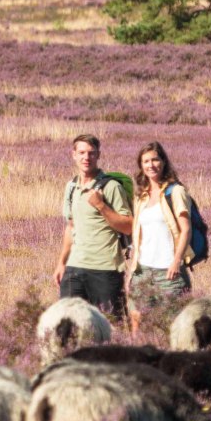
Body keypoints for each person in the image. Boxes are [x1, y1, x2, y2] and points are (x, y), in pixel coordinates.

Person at [53, 134, 133, 319]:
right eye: (81, 153)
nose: (86, 158)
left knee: (112, 326)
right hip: (75, 268)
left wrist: (101, 206)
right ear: (73, 154)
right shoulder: (71, 187)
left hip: (105, 269)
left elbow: (128, 226)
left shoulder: (111, 187)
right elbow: (71, 226)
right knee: (69, 326)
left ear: (98, 155)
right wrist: (62, 263)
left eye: (91, 153)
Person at [124, 141, 194, 333]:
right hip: (142, 271)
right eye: (146, 161)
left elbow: (185, 229)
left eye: (155, 159)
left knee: (171, 326)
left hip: (169, 272)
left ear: (163, 162)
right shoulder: (141, 196)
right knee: (137, 323)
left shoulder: (176, 192)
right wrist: (132, 270)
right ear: (141, 165)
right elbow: (139, 236)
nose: (151, 165)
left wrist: (176, 261)